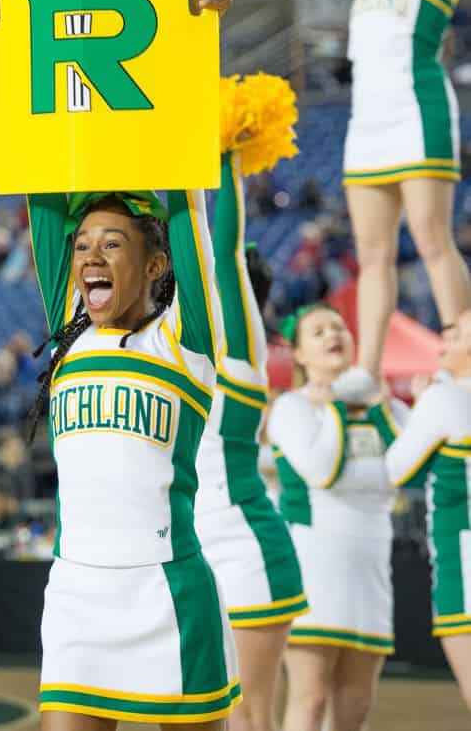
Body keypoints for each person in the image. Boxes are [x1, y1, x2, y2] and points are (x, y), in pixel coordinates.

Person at [0, 0, 240, 729]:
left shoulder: (184, 341)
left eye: (113, 243)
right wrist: (5, 36)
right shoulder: (68, 334)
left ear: (154, 265)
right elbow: (35, 166)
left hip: (169, 590)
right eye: (84, 242)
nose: (89, 255)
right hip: (79, 594)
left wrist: (196, 32)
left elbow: (189, 195)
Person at [307, 0, 469, 376]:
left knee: (431, 239)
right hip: (367, 124)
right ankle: (367, 372)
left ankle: (462, 352)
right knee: (371, 256)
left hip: (418, 111)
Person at [194, 143, 309, 731]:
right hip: (197, 557)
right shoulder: (180, 356)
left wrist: (220, 160)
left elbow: (225, 254)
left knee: (249, 718)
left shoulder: (241, 355)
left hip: (246, 551)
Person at [266, 304, 405, 731]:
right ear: (300, 354)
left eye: (340, 327)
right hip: (314, 562)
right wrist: (336, 407)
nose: (334, 335)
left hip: (372, 565)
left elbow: (405, 470)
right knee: (312, 698)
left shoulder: (389, 408)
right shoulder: (292, 407)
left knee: (356, 702)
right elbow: (321, 471)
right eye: (319, 331)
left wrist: (377, 405)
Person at [383, 307, 471, 712]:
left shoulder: (444, 395)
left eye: (454, 334)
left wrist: (416, 404)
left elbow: (397, 468)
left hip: (462, 559)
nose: (444, 340)